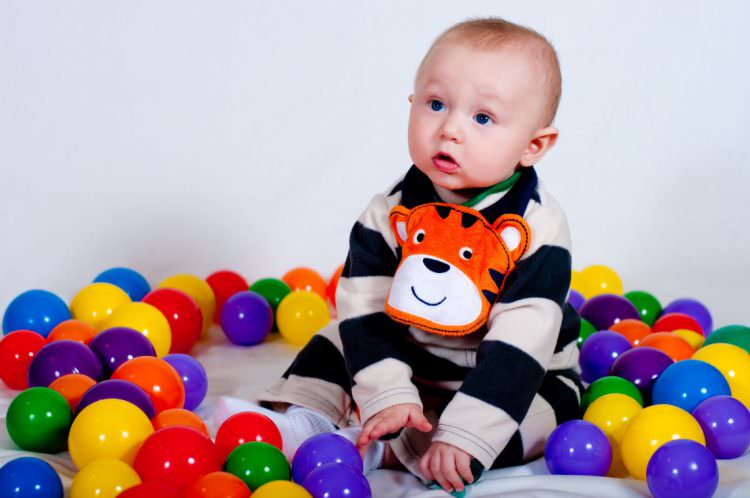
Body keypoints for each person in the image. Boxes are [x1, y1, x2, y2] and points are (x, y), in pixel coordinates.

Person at [214, 17, 582, 495]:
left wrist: (466, 432)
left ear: (533, 145)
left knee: (544, 417)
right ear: (412, 106)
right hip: (413, 354)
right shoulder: (388, 212)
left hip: (513, 375)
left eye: (483, 118)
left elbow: (521, 341)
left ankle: (381, 446)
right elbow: (366, 308)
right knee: (341, 336)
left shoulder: (537, 228)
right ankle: (303, 419)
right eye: (435, 104)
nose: (450, 129)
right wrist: (386, 393)